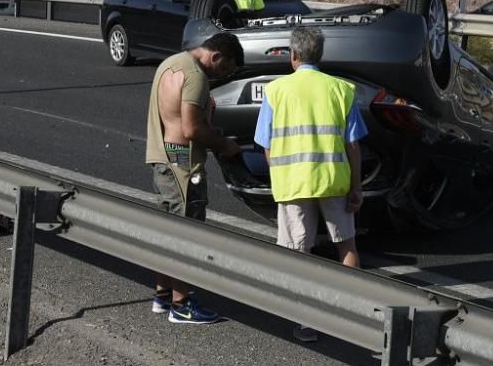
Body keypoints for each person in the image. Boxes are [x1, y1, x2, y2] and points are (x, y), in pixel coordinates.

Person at [253, 27, 366, 343]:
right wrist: (356, 186)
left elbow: (267, 144)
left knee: (298, 251)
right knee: (346, 246)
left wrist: (281, 174)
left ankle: (306, 321)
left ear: (293, 56)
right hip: (334, 180)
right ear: (321, 55)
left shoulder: (276, 91)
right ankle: (350, 315)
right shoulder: (342, 90)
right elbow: (353, 145)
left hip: (294, 184)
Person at [146, 32, 244, 324]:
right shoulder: (196, 76)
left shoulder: (170, 63)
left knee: (169, 231)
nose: (221, 75)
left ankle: (163, 295)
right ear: (216, 57)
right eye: (225, 69)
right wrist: (223, 144)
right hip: (182, 162)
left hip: (163, 155)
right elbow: (191, 128)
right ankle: (182, 304)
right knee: (187, 233)